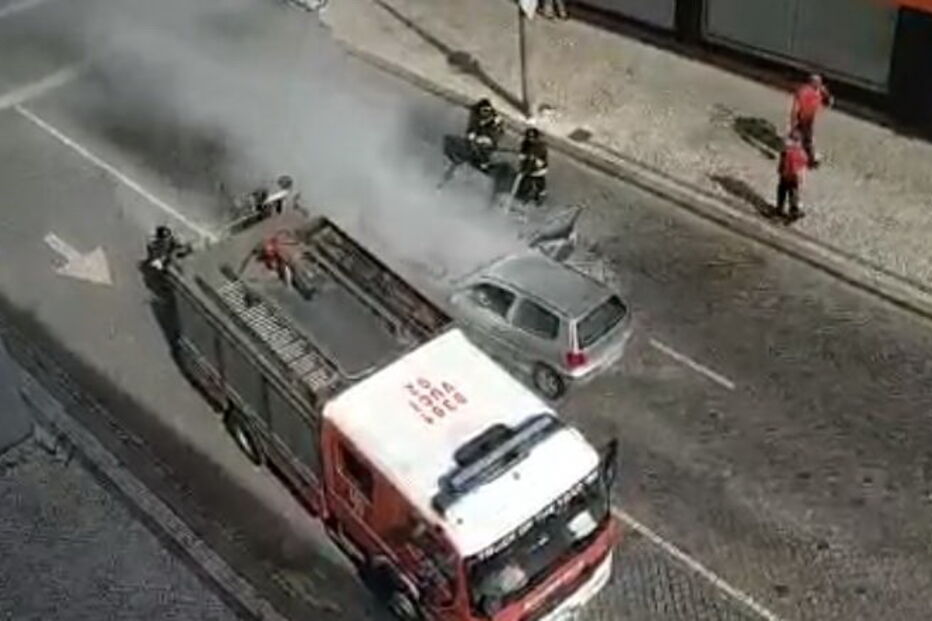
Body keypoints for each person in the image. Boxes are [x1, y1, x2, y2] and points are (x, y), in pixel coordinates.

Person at [790, 73, 833, 167]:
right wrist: (793, 122)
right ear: (811, 82)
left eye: (820, 82)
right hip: (803, 118)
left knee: (804, 138)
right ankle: (808, 159)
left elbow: (829, 102)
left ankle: (805, 157)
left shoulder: (818, 92)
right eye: (817, 82)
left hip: (809, 119)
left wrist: (825, 93)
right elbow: (796, 109)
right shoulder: (804, 92)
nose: (820, 84)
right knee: (805, 138)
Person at [775, 131, 809, 222]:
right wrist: (781, 171)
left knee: (793, 193)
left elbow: (802, 168)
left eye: (792, 140)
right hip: (785, 175)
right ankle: (780, 208)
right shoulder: (786, 151)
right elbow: (783, 161)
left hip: (793, 178)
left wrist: (802, 179)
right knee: (782, 191)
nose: (788, 142)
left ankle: (793, 210)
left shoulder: (800, 154)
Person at [466, 98, 504, 172]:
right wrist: (473, 134)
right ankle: (482, 161)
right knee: (476, 145)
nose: (486, 112)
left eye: (488, 110)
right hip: (478, 134)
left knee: (489, 147)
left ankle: (484, 160)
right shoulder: (475, 115)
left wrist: (497, 125)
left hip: (489, 134)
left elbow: (500, 130)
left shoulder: (493, 116)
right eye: (484, 110)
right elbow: (472, 126)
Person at [518, 127, 549, 205]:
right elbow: (523, 153)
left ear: (536, 137)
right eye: (529, 137)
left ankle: (540, 196)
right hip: (528, 167)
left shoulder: (541, 146)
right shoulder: (525, 143)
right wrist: (522, 157)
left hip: (538, 169)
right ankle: (526, 195)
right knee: (526, 183)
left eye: (533, 137)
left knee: (539, 184)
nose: (530, 139)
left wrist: (533, 158)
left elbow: (540, 160)